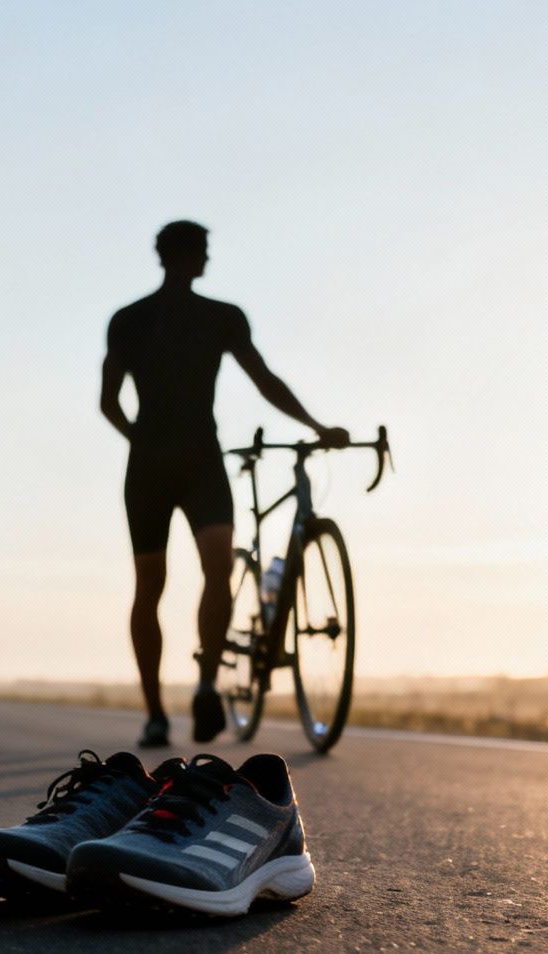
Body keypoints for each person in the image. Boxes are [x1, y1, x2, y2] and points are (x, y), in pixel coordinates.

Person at [101, 220, 347, 747]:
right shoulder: (208, 317)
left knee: (170, 582)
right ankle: (174, 702)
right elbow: (265, 380)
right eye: (204, 250)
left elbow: (109, 404)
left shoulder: (135, 319)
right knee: (186, 576)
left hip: (158, 465)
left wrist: (140, 441)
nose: (209, 258)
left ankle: (194, 695)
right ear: (186, 256)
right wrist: (316, 427)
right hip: (195, 460)